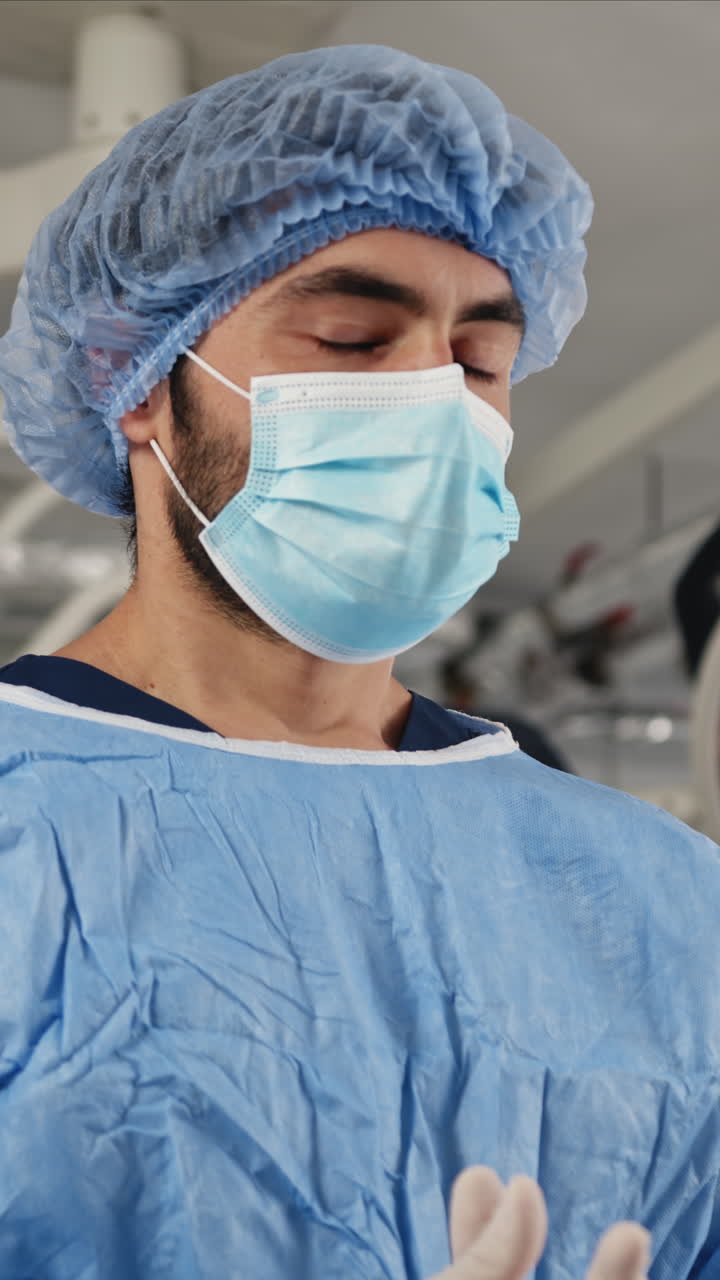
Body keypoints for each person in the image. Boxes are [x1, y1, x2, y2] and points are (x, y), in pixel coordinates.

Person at [0, 44, 717, 1280]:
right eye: (350, 337)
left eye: (480, 361)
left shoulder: (661, 899)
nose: (434, 402)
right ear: (138, 381)